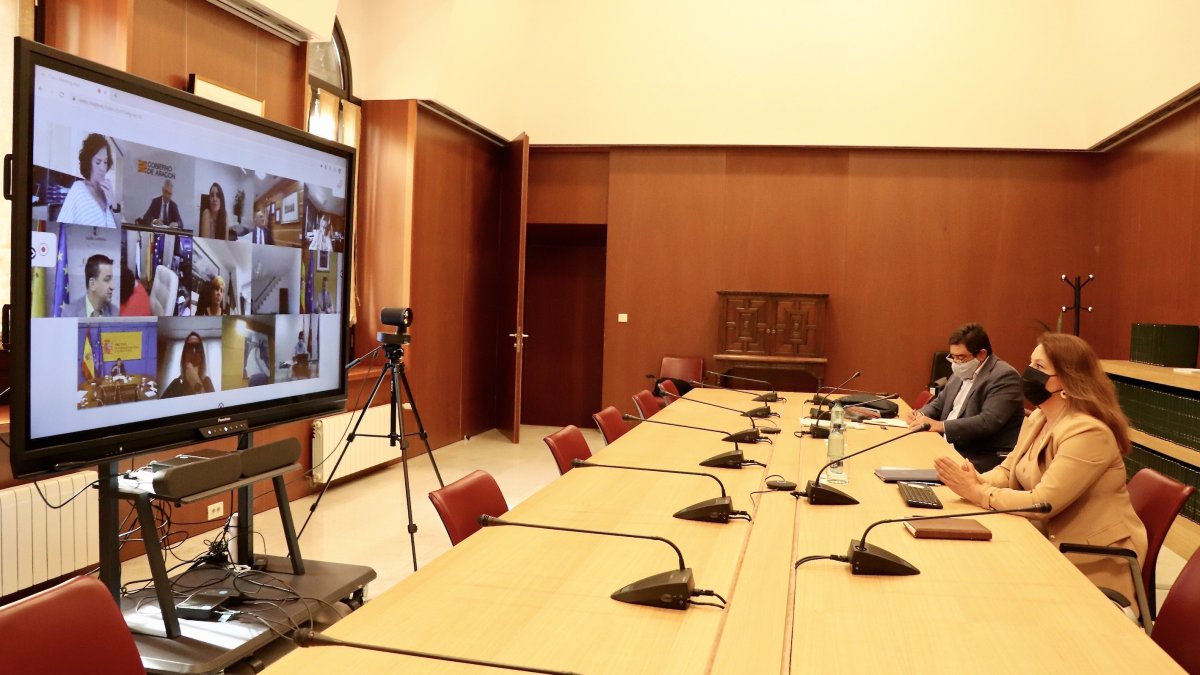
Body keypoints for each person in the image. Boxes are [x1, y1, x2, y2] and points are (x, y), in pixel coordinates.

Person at [934, 333, 1147, 614]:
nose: (1028, 373)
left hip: (1088, 559)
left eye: (1040, 367)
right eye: (1030, 363)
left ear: (1067, 381)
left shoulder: (1087, 432)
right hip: (1042, 539)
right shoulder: (1038, 417)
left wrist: (977, 492)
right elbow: (1009, 469)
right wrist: (976, 480)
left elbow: (1043, 503)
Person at [907, 323, 1024, 471]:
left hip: (981, 457)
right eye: (953, 357)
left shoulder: (1004, 376)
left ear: (981, 354)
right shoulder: (960, 372)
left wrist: (941, 426)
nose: (956, 363)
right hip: (947, 447)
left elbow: (987, 422)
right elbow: (939, 404)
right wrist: (921, 415)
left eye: (961, 357)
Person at [57, 133, 120, 228]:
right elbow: (62, 226)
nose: (103, 168)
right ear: (88, 163)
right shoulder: (78, 189)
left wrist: (114, 205)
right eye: (98, 162)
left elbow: (118, 229)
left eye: (105, 162)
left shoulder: (107, 192)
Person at [161, 332, 215, 398]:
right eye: (189, 347)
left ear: (202, 356)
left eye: (197, 347)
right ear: (184, 356)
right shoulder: (175, 384)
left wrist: (195, 382)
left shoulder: (207, 382)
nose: (194, 351)